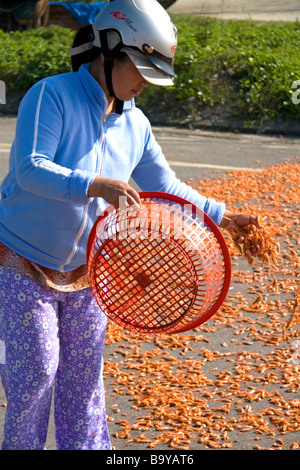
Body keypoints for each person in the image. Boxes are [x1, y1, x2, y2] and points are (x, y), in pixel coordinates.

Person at [0, 0, 257, 450]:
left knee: (84, 383)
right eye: (139, 68)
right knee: (37, 374)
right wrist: (95, 184)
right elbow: (29, 168)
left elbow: (167, 185)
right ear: (108, 50)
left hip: (88, 272)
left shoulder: (136, 124)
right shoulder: (51, 95)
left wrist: (224, 216)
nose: (143, 83)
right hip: (22, 259)